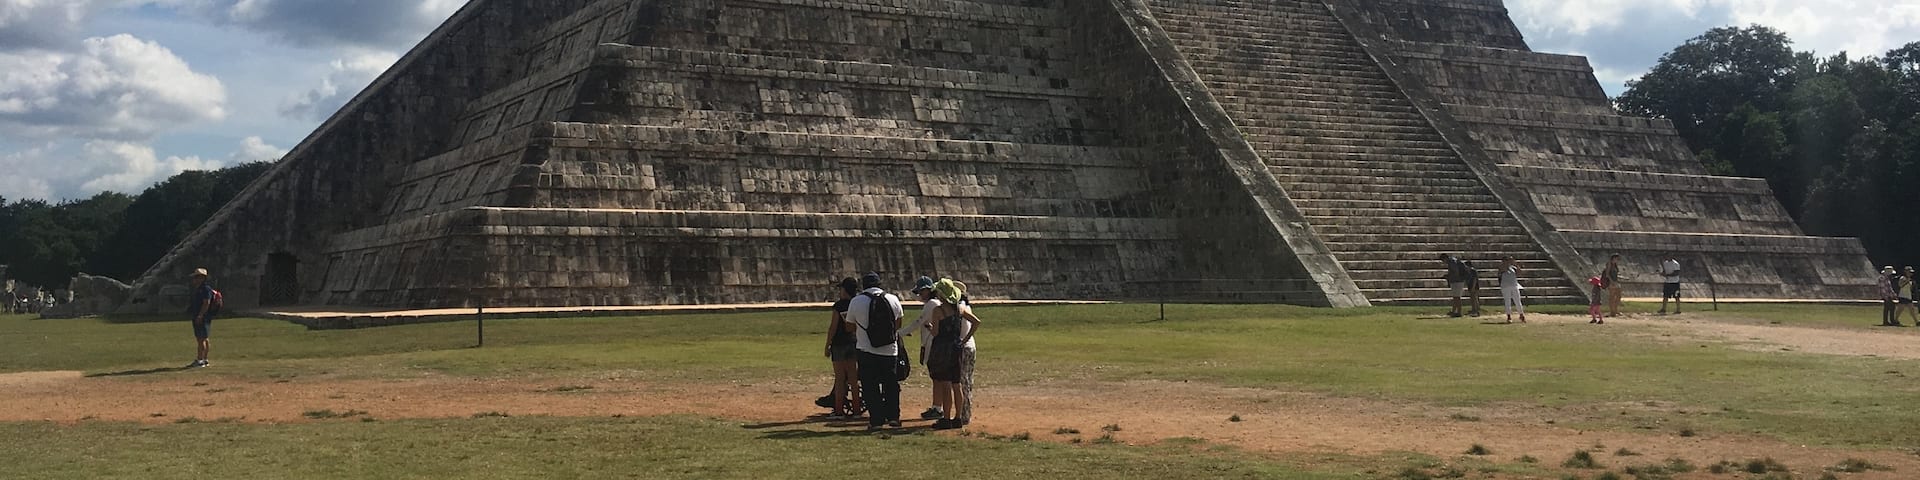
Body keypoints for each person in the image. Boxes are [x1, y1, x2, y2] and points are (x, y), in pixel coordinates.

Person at [845, 272, 905, 431]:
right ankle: (893, 417)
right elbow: (898, 323)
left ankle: (876, 420)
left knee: (870, 386)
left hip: (866, 349)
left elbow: (849, 326)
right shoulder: (893, 299)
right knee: (891, 384)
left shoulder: (856, 301)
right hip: (890, 350)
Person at [896, 276, 947, 422]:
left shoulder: (931, 304)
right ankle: (937, 406)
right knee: (937, 378)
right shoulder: (933, 303)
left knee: (937, 378)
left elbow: (917, 323)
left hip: (933, 343)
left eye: (921, 291)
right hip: (933, 342)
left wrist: (899, 333)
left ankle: (938, 407)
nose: (919, 294)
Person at [931, 278, 979, 429]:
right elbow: (976, 322)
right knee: (956, 384)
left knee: (945, 385)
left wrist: (929, 327)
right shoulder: (960, 309)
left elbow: (935, 332)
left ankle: (946, 418)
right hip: (956, 348)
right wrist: (964, 340)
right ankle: (957, 417)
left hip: (942, 348)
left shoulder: (938, 311)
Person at [823, 278, 863, 419]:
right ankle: (857, 410)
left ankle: (839, 410)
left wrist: (828, 344)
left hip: (839, 344)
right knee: (853, 379)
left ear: (845, 290)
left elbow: (833, 327)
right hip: (853, 342)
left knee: (840, 379)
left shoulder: (839, 305)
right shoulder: (857, 303)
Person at [187, 268, 216, 368]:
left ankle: (200, 360)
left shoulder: (205, 289)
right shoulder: (200, 289)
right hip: (201, 315)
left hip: (202, 316)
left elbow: (206, 302)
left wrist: (200, 315)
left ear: (202, 278)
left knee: (201, 339)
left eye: (196, 277)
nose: (194, 279)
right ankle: (204, 359)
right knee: (205, 338)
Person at [1498, 256, 1525, 324]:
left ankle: (1521, 315)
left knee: (1518, 301)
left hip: (1514, 286)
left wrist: (1515, 264)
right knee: (1508, 302)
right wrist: (1508, 264)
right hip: (1505, 286)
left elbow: (1520, 272)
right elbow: (1503, 270)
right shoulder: (1501, 267)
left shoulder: (1513, 268)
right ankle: (1509, 316)